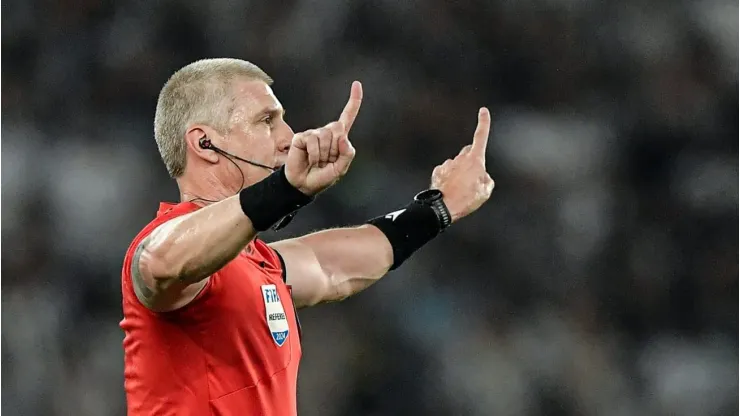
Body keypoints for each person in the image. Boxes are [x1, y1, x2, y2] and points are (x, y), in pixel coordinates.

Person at [119, 58, 495, 416]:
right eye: (267, 121)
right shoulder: (163, 248)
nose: (289, 137)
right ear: (204, 143)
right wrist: (286, 188)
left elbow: (331, 265)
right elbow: (161, 260)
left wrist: (438, 208)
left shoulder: (260, 264)